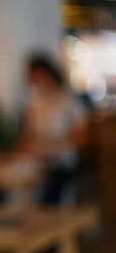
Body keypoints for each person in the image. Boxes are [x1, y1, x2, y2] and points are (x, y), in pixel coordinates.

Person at [17, 52, 89, 205]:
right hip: (38, 163)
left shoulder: (68, 101)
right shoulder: (36, 103)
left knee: (49, 200)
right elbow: (27, 136)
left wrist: (56, 146)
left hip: (61, 164)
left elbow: (81, 137)